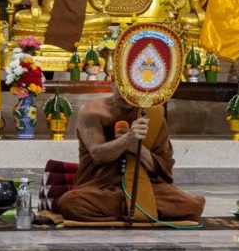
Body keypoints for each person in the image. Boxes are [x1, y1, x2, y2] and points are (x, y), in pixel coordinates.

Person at [58, 83, 205, 222]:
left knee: (192, 207)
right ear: (112, 82)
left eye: (132, 89)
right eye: (122, 87)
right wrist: (127, 139)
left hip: (143, 185)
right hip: (100, 186)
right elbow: (98, 155)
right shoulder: (92, 111)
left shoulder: (153, 113)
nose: (125, 95)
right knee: (70, 203)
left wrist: (135, 147)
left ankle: (131, 209)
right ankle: (139, 209)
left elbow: (163, 167)